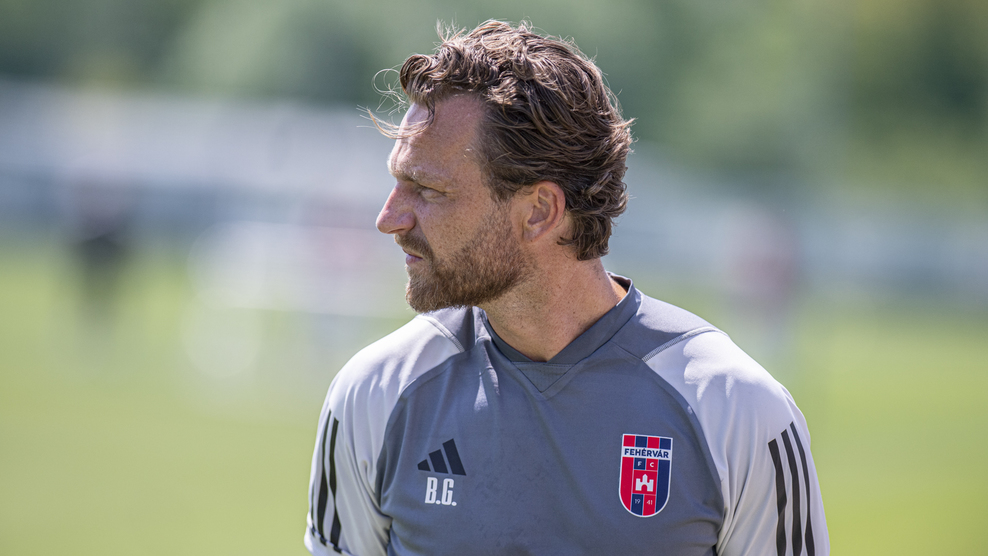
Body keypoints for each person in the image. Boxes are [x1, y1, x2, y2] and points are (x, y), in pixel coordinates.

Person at [305, 20, 828, 556]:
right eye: (398, 182)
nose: (389, 219)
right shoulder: (375, 393)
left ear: (539, 212)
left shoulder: (737, 409)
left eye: (428, 190)